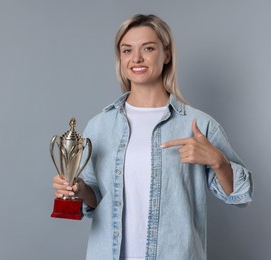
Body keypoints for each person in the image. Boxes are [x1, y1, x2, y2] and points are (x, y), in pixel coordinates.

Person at [52, 14, 253, 260]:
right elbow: (96, 201)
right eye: (127, 51)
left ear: (166, 54)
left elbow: (241, 196)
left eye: (148, 48)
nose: (136, 58)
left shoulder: (198, 124)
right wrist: (80, 190)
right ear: (120, 58)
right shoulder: (100, 125)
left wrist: (218, 161)